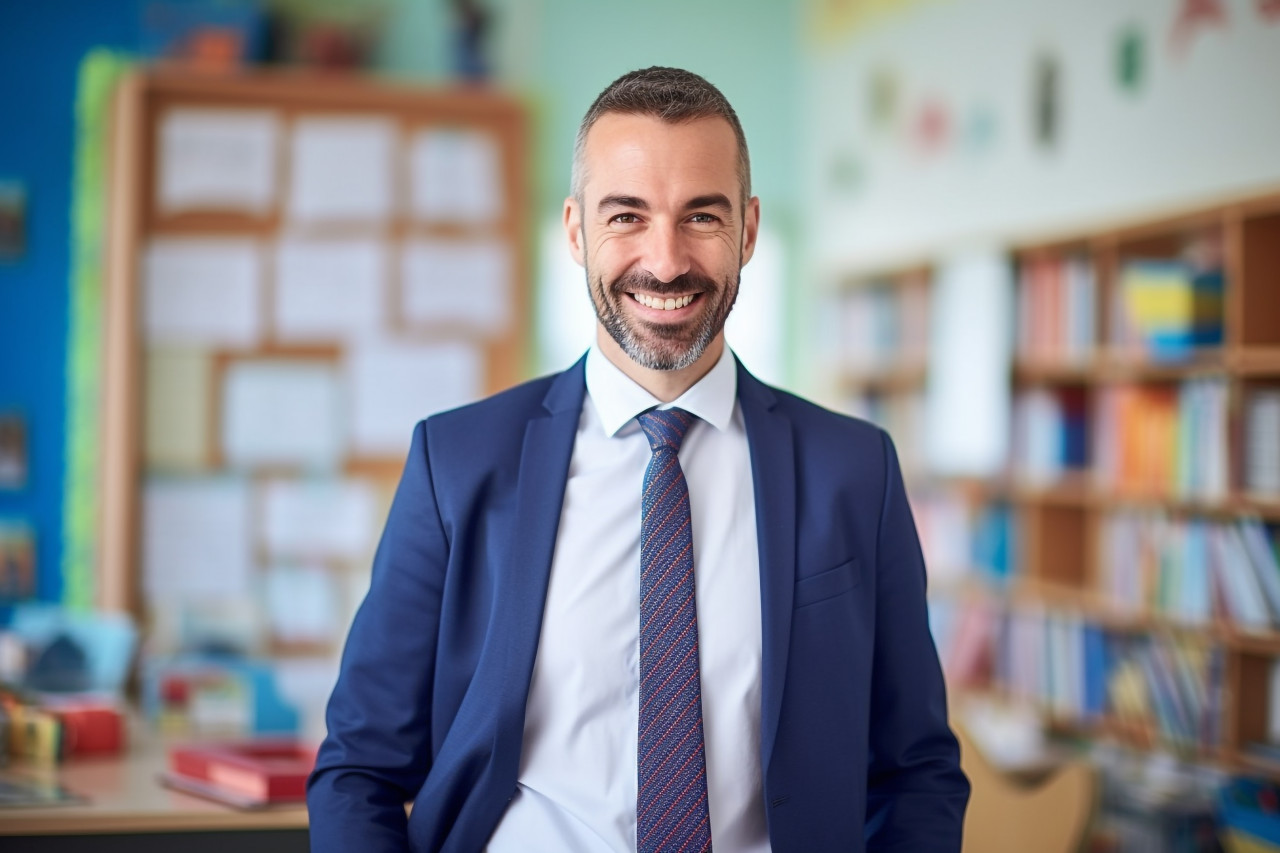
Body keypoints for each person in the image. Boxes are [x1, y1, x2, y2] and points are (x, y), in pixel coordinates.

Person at [307, 66, 969, 853]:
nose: (665, 260)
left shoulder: (856, 473)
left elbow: (916, 769)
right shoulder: (456, 464)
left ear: (749, 230)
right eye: (627, 216)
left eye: (702, 216)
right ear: (576, 230)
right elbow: (360, 770)